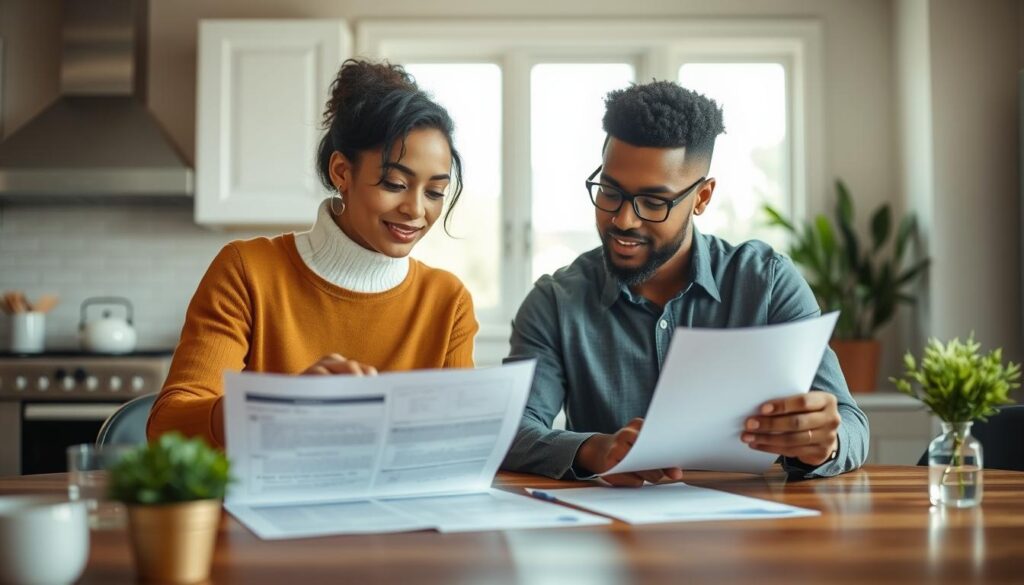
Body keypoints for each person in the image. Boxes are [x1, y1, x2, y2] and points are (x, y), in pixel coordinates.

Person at [501, 80, 868, 485]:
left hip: (750, 530)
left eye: (654, 202)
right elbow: (513, 431)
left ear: (702, 198)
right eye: (610, 191)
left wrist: (823, 443)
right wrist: (596, 450)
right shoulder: (555, 301)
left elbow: (850, 424)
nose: (624, 220)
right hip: (609, 530)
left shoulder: (767, 284)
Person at [147, 59, 478, 447]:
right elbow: (167, 426)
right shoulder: (247, 272)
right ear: (342, 172)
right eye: (395, 183)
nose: (417, 210)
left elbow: (461, 444)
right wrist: (283, 405)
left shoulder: (448, 301)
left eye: (435, 192)